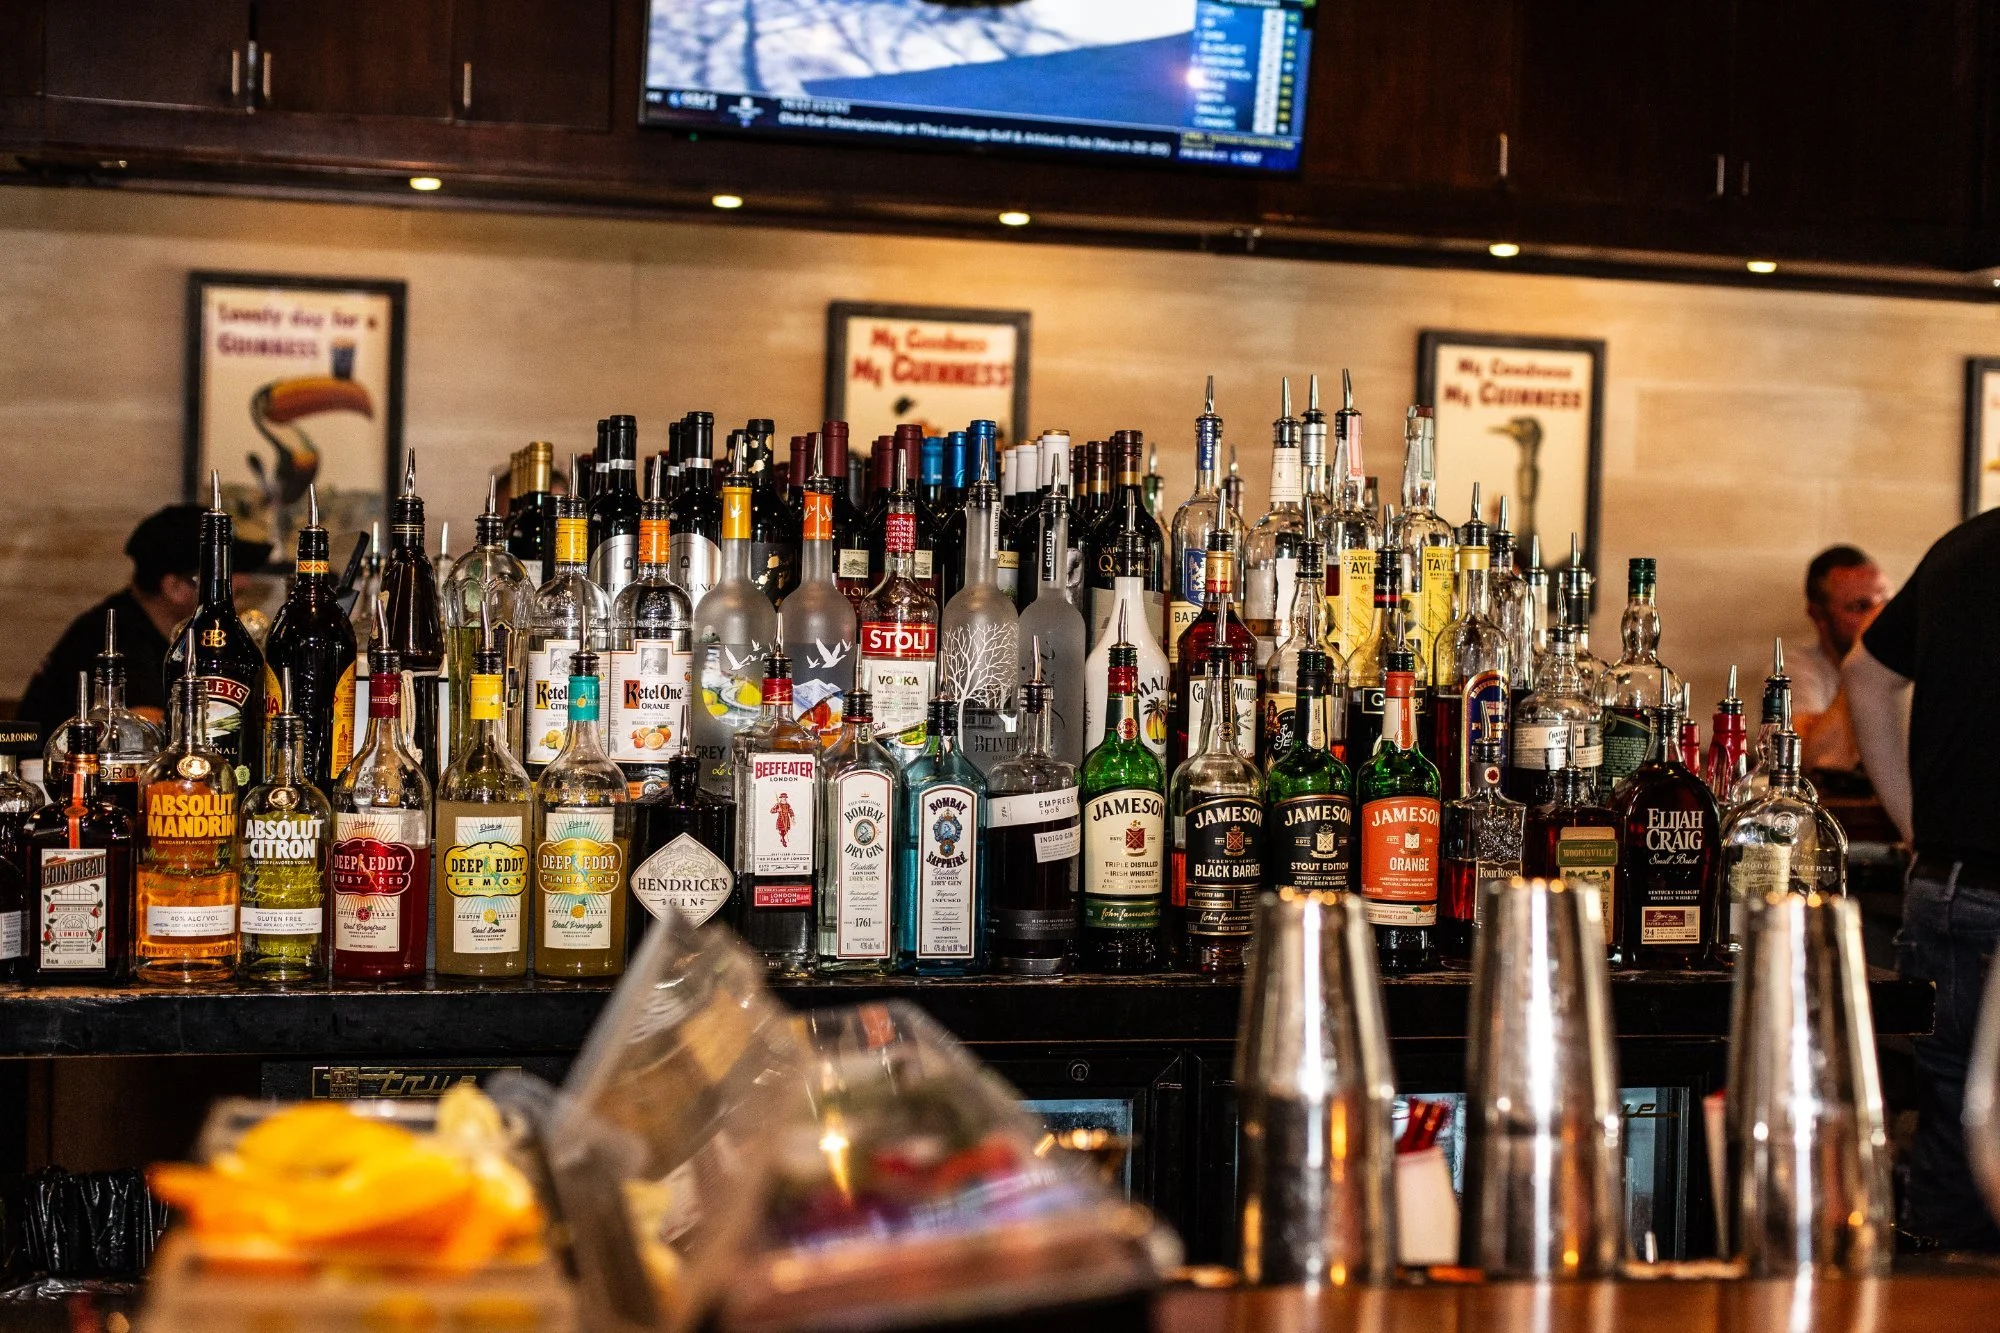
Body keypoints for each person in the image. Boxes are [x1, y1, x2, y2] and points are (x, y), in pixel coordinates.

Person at [1847, 513, 2000, 1251]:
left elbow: (1864, 676)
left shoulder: (1963, 546)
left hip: (1946, 892)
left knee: (1952, 1163)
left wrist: (1919, 830)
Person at [17, 504, 270, 731]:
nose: (243, 588)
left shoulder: (164, 632)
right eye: (230, 590)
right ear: (176, 588)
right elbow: (144, 726)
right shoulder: (115, 637)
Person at [1792, 546, 1890, 773]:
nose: (1878, 618)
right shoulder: (1795, 670)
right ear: (1819, 616)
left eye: (1886, 603)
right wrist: (1864, 662)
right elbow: (1818, 760)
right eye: (1860, 607)